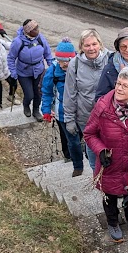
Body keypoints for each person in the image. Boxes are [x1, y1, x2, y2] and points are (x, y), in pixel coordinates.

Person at [84, 67, 128, 243]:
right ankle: (113, 222)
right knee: (110, 197)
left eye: (125, 85)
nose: (119, 88)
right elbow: (89, 134)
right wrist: (100, 150)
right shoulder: (102, 108)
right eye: (118, 83)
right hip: (110, 164)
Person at [63, 29, 111, 177]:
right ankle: (95, 174)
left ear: (100, 44)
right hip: (86, 117)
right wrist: (69, 119)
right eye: (87, 45)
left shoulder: (112, 59)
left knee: (111, 145)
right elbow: (70, 94)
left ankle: (111, 175)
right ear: (81, 47)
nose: (91, 48)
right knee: (92, 146)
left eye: (94, 44)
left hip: (110, 115)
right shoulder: (75, 65)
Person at [41, 38, 79, 166]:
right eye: (60, 60)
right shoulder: (52, 72)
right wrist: (46, 110)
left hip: (80, 110)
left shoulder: (81, 67)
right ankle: (69, 156)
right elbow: (47, 92)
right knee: (67, 137)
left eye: (67, 60)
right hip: (61, 113)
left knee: (78, 135)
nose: (64, 64)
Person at [7, 19, 52, 121]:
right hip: (23, 72)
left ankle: (36, 110)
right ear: (28, 31)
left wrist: (51, 67)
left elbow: (48, 53)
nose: (38, 30)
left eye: (37, 27)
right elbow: (11, 58)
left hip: (39, 70)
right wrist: (13, 73)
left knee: (39, 93)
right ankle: (26, 105)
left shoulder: (40, 38)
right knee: (29, 94)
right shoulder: (18, 41)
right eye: (35, 29)